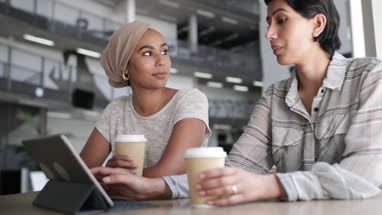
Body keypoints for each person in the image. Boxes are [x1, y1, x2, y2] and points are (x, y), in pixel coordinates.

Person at [91, 0, 382, 204]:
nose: (269, 33)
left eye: (281, 20)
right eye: (268, 22)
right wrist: (154, 187)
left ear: (317, 24)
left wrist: (271, 185)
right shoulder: (274, 98)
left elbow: (364, 172)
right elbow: (236, 168)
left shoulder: (371, 78)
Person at [81, 21, 210, 178]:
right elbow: (80, 174)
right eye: (147, 53)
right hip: (127, 202)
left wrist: (112, 176)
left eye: (164, 51)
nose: (161, 61)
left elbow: (170, 173)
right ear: (125, 68)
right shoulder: (116, 110)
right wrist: (110, 174)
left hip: (182, 203)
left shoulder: (190, 100)